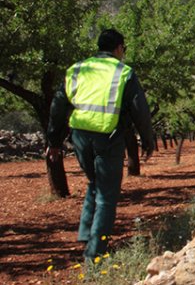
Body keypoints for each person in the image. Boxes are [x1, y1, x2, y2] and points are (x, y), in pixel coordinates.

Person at [47, 29, 155, 264]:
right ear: (118, 48)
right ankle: (95, 253)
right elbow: (140, 111)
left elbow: (58, 106)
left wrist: (53, 142)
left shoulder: (77, 69)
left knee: (94, 182)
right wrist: (148, 141)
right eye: (123, 49)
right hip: (108, 136)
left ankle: (86, 234)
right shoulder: (123, 72)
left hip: (80, 137)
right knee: (107, 193)